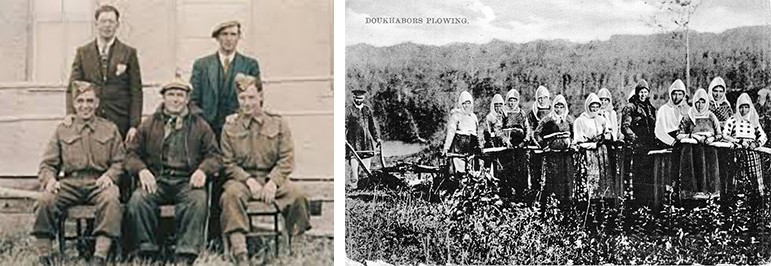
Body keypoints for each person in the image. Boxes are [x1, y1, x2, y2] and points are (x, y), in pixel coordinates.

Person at [125, 77, 222, 265]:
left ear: (187, 99)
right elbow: (131, 155)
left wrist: (202, 170)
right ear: (163, 98)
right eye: (171, 95)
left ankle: (185, 254)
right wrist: (142, 170)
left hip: (187, 181)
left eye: (180, 95)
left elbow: (215, 156)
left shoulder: (200, 125)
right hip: (158, 180)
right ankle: (147, 250)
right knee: (138, 200)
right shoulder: (149, 124)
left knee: (198, 200)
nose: (176, 99)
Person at [219, 74, 311, 265]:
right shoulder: (230, 127)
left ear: (260, 96)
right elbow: (228, 163)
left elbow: (287, 159)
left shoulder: (278, 123)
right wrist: (248, 180)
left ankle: (296, 246)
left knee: (298, 195)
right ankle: (240, 253)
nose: (247, 103)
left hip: (272, 179)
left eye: (251, 97)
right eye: (242, 98)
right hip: (242, 181)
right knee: (230, 196)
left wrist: (273, 182)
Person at [33, 81, 125, 266]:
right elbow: (48, 164)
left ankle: (99, 256)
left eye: (90, 101)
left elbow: (120, 161)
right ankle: (45, 256)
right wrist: (50, 180)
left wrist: (110, 176)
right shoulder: (63, 129)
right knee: (45, 200)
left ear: (97, 103)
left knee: (111, 199)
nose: (85, 106)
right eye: (80, 101)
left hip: (99, 183)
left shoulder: (110, 128)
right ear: (74, 104)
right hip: (70, 183)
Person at [66, 5, 142, 141]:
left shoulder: (128, 53)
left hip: (120, 119)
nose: (107, 26)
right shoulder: (83, 52)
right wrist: (71, 113)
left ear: (117, 25)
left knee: (118, 158)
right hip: (91, 117)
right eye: (103, 21)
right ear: (96, 24)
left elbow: (136, 91)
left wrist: (134, 125)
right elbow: (73, 86)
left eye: (111, 22)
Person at [190, 20, 261, 141]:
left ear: (239, 37)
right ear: (217, 38)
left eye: (233, 34)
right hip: (208, 130)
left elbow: (257, 98)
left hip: (239, 129)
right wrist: (201, 123)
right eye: (224, 34)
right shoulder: (202, 65)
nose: (229, 39)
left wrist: (239, 116)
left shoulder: (250, 65)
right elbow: (192, 100)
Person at [675, 88, 721, 198]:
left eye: (702, 102)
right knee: (695, 173)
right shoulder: (689, 116)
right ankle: (691, 196)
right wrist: (692, 136)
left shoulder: (711, 116)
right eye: (697, 102)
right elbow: (678, 135)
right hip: (693, 152)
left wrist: (712, 138)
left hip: (709, 152)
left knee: (709, 174)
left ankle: (710, 196)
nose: (700, 105)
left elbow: (719, 134)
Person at [723, 93, 767, 198]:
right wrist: (738, 141)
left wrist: (756, 143)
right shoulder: (733, 120)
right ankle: (734, 197)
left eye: (746, 107)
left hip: (751, 151)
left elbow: (763, 136)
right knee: (735, 175)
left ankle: (757, 197)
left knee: (754, 175)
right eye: (741, 107)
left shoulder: (754, 121)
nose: (743, 110)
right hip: (737, 150)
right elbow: (725, 135)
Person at [574, 93, 615, 199]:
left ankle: (603, 199)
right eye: (592, 107)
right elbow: (578, 140)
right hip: (588, 152)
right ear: (588, 106)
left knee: (603, 176)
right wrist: (592, 143)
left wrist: (603, 138)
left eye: (597, 107)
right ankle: (589, 200)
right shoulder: (580, 120)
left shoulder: (601, 119)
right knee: (590, 176)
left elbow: (609, 133)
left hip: (601, 152)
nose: (595, 109)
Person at [534, 95, 574, 200]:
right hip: (552, 154)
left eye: (561, 107)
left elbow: (574, 134)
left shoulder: (569, 119)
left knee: (566, 178)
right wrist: (543, 145)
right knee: (553, 178)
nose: (559, 110)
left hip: (565, 154)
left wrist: (572, 143)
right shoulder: (547, 119)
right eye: (557, 107)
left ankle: (566, 203)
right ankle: (552, 201)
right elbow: (537, 133)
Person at [345, 88, 381, 189]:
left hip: (366, 142)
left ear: (364, 98)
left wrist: (377, 139)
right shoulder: (348, 110)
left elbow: (372, 127)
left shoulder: (367, 110)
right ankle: (353, 186)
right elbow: (344, 125)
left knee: (366, 168)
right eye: (356, 98)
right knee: (354, 167)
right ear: (353, 98)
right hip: (353, 142)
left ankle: (364, 186)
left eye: (360, 98)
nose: (358, 100)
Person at [500, 89, 530, 197]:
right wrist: (505, 140)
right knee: (509, 169)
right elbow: (498, 128)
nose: (512, 103)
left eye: (514, 101)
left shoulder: (522, 113)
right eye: (510, 101)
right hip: (508, 145)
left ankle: (520, 194)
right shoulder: (503, 113)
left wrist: (525, 140)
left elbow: (527, 129)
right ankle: (508, 194)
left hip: (520, 144)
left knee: (521, 169)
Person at [442, 90, 480, 173]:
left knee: (471, 166)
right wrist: (446, 147)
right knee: (459, 166)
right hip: (459, 143)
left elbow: (477, 131)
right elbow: (451, 132)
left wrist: (479, 145)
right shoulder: (456, 115)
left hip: (471, 143)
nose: (466, 106)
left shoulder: (473, 117)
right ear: (461, 104)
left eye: (468, 103)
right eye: (464, 103)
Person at [621, 79, 657, 148]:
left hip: (649, 143)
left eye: (645, 92)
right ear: (637, 93)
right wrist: (634, 138)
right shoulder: (630, 107)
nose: (643, 95)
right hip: (635, 145)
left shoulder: (650, 108)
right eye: (641, 92)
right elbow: (625, 127)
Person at [656, 79, 690, 146]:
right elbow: (659, 131)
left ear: (684, 95)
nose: (677, 97)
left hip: (685, 141)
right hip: (667, 141)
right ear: (670, 94)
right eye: (674, 94)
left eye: (680, 94)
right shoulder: (663, 109)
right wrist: (672, 142)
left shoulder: (688, 110)